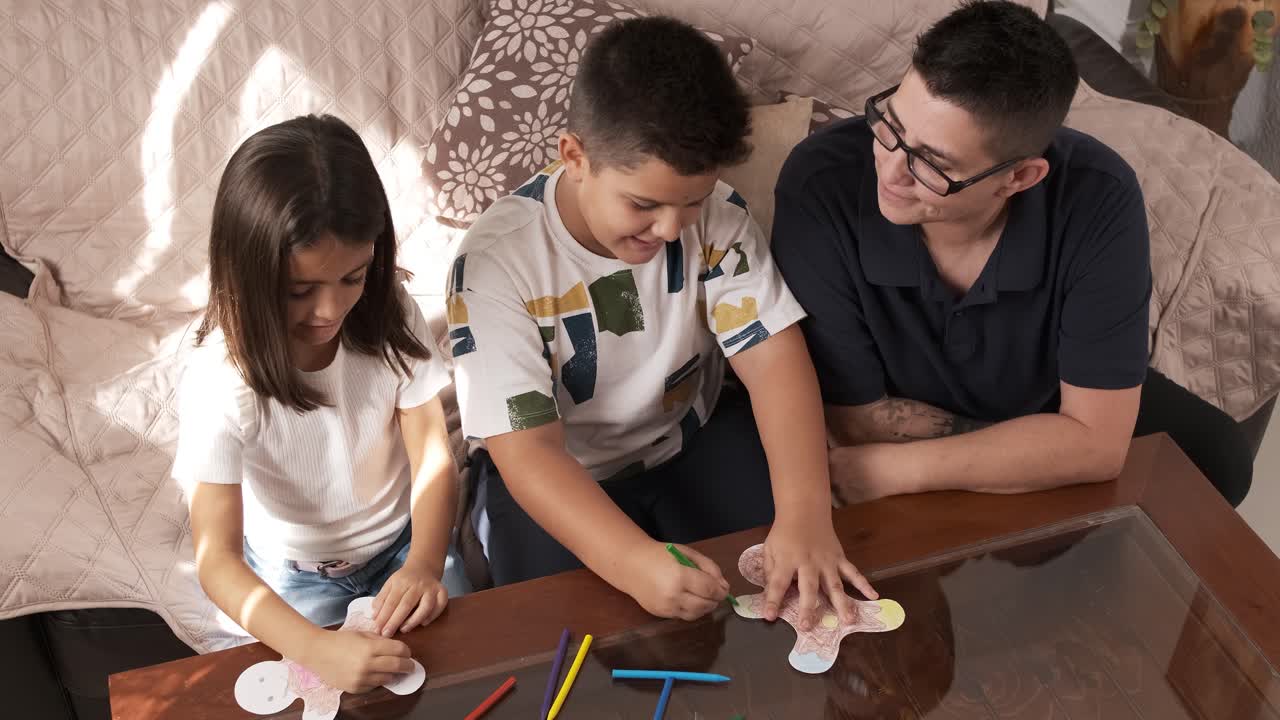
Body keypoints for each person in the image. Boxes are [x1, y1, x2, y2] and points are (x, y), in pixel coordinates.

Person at [447, 16, 876, 629]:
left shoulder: (721, 217)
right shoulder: (495, 264)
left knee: (785, 590)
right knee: (557, 631)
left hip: (688, 439)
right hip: (558, 472)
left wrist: (806, 514)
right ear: (576, 157)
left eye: (692, 202)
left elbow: (775, 363)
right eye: (644, 204)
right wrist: (630, 562)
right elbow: (530, 455)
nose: (672, 229)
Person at [771, 0, 1252, 508]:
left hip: (1038, 394)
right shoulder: (821, 183)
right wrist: (1042, 448)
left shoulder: (1099, 196)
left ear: (1019, 178)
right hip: (992, 410)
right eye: (891, 126)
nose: (890, 172)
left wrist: (898, 468)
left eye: (931, 164)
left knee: (1217, 458)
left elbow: (1097, 445)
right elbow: (857, 423)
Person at [173, 114, 469, 694]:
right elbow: (217, 560)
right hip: (294, 576)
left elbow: (433, 449)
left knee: (465, 671)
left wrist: (426, 563)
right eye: (299, 291)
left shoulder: (388, 311)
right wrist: (314, 647)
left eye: (353, 278)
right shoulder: (219, 376)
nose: (330, 311)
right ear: (247, 275)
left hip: (407, 545)